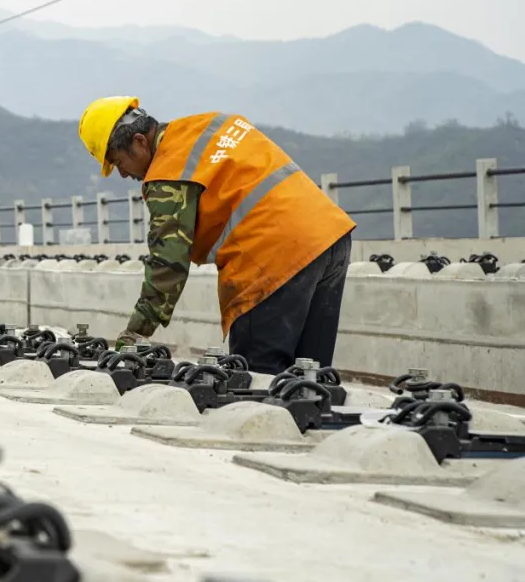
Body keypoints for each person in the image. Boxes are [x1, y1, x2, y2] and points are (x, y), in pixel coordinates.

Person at [78, 97, 356, 374]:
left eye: (118, 162)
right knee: (311, 376)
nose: (123, 174)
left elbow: (168, 263)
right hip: (330, 235)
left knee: (258, 379)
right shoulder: (206, 126)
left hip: (274, 254)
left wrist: (135, 334)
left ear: (139, 141)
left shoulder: (169, 172)